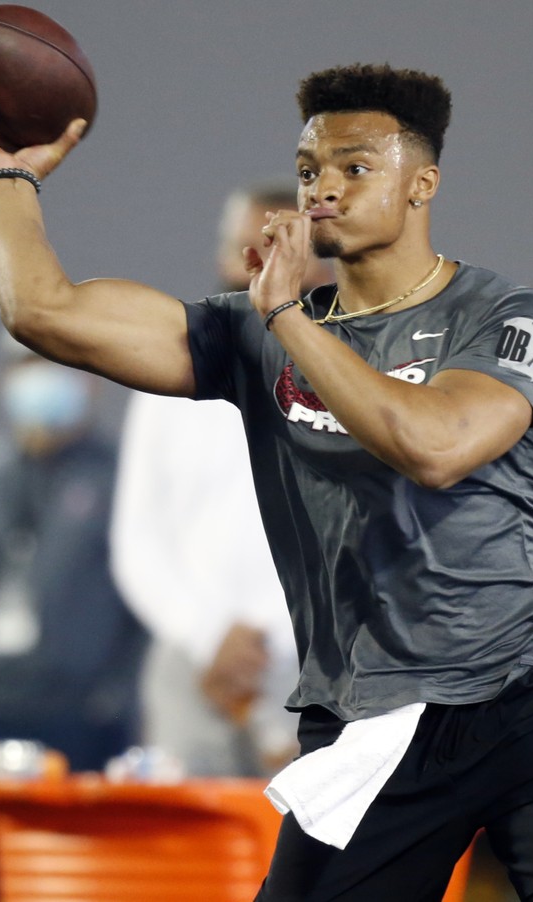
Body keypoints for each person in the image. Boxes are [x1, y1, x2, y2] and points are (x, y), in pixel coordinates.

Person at [0, 63, 533, 901]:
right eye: (308, 172)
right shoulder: (257, 331)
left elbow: (434, 445)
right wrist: (10, 175)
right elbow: (42, 311)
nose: (322, 189)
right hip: (369, 718)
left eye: (353, 167)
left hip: (528, 690)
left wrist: (288, 318)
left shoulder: (506, 315)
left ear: (421, 185)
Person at [111, 181, 329, 778]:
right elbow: (137, 542)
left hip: (310, 655)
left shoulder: (349, 377)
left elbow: (358, 533)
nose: (254, 265)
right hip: (190, 659)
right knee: (183, 858)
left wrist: (272, 640)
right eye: (242, 247)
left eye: (276, 249)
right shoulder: (165, 372)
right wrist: (210, 635)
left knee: (303, 855)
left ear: (310, 259)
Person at [0, 333, 146, 900]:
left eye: (59, 365)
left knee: (82, 875)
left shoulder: (122, 475)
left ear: (90, 380)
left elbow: (146, 596)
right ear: (4, 379)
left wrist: (116, 694)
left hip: (85, 717)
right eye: (28, 364)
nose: (41, 378)